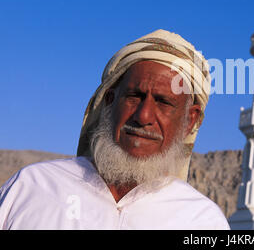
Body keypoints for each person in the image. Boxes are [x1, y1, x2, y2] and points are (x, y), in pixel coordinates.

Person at [0, 29, 230, 230]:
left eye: (163, 102)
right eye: (134, 96)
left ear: (190, 120)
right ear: (110, 101)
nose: (144, 116)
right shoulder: (31, 187)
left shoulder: (202, 221)